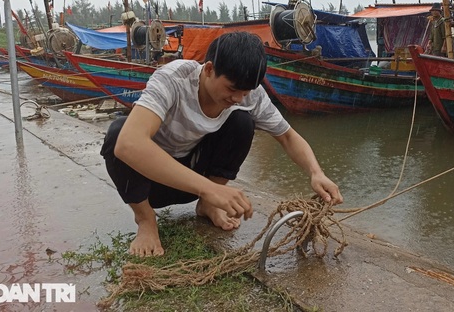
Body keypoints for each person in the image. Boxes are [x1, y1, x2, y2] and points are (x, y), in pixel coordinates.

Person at [101, 32, 343, 257]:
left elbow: (287, 136)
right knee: (119, 133)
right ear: (208, 69)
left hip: (194, 182)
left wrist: (316, 172)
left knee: (242, 122)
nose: (238, 98)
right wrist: (209, 189)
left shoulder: (250, 96)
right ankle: (146, 221)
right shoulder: (173, 79)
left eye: (246, 91)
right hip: (149, 182)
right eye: (232, 88)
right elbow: (129, 144)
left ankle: (207, 207)